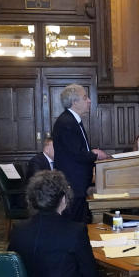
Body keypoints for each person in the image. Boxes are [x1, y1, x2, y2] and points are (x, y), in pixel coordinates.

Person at [52, 84, 107, 223]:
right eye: (85, 97)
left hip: (77, 184)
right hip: (73, 185)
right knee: (73, 224)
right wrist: (96, 155)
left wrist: (91, 152)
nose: (89, 100)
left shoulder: (71, 120)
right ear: (74, 102)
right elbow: (77, 155)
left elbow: (76, 150)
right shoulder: (67, 122)